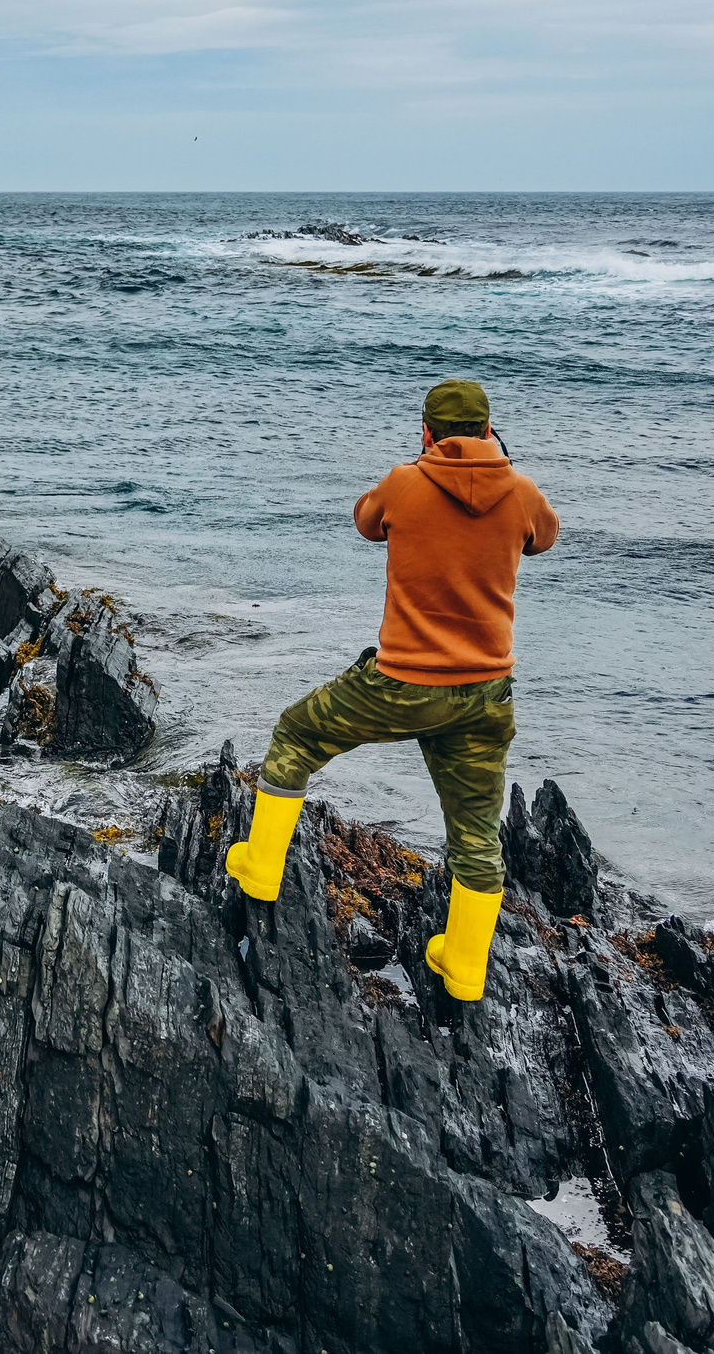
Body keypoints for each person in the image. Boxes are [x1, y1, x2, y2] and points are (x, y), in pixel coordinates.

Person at [224, 378, 560, 1002]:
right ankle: (464, 968)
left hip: (402, 683)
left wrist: (416, 468)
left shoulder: (406, 482)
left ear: (427, 431)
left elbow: (365, 521)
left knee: (296, 734)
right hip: (485, 694)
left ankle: (262, 870)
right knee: (476, 834)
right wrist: (501, 467)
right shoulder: (521, 492)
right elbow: (545, 537)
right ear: (489, 430)